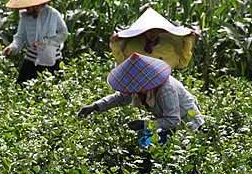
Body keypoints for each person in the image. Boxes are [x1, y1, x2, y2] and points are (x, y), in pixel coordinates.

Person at [77, 52, 205, 144]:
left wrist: (144, 124)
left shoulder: (166, 89)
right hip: (168, 126)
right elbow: (121, 98)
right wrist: (95, 106)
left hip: (189, 128)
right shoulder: (140, 86)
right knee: (148, 145)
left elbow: (172, 120)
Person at [1, 0, 68, 86]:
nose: (27, 9)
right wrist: (12, 47)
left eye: (29, 7)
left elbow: (63, 34)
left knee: (55, 91)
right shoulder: (25, 17)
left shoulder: (53, 14)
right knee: (21, 89)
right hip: (32, 60)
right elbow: (20, 37)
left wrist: (45, 42)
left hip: (52, 59)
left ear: (37, 5)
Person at [110, 7, 196, 69]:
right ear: (143, 31)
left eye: (155, 30)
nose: (153, 33)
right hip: (138, 85)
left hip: (161, 86)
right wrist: (115, 45)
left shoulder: (167, 47)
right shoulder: (133, 45)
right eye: (149, 30)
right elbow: (123, 63)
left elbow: (182, 63)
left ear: (159, 31)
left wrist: (188, 40)